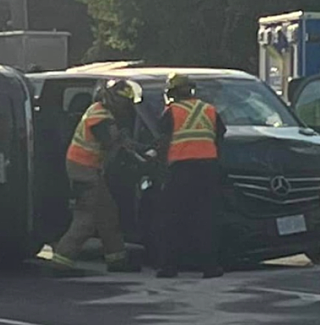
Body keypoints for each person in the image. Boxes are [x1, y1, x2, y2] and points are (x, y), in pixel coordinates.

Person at [50, 80, 142, 274]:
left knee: (107, 214)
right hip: (83, 170)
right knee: (86, 219)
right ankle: (61, 262)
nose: (126, 106)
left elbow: (117, 141)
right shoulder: (100, 115)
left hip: (89, 169)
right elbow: (109, 142)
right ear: (113, 98)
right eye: (123, 101)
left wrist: (132, 144)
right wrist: (125, 143)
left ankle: (117, 259)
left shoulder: (102, 112)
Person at [155, 73, 226, 279]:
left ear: (172, 92)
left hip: (180, 171)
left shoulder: (171, 112)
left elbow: (162, 143)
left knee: (172, 219)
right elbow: (220, 138)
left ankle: (169, 267)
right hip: (208, 170)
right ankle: (210, 267)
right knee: (206, 219)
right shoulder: (209, 110)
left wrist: (160, 170)